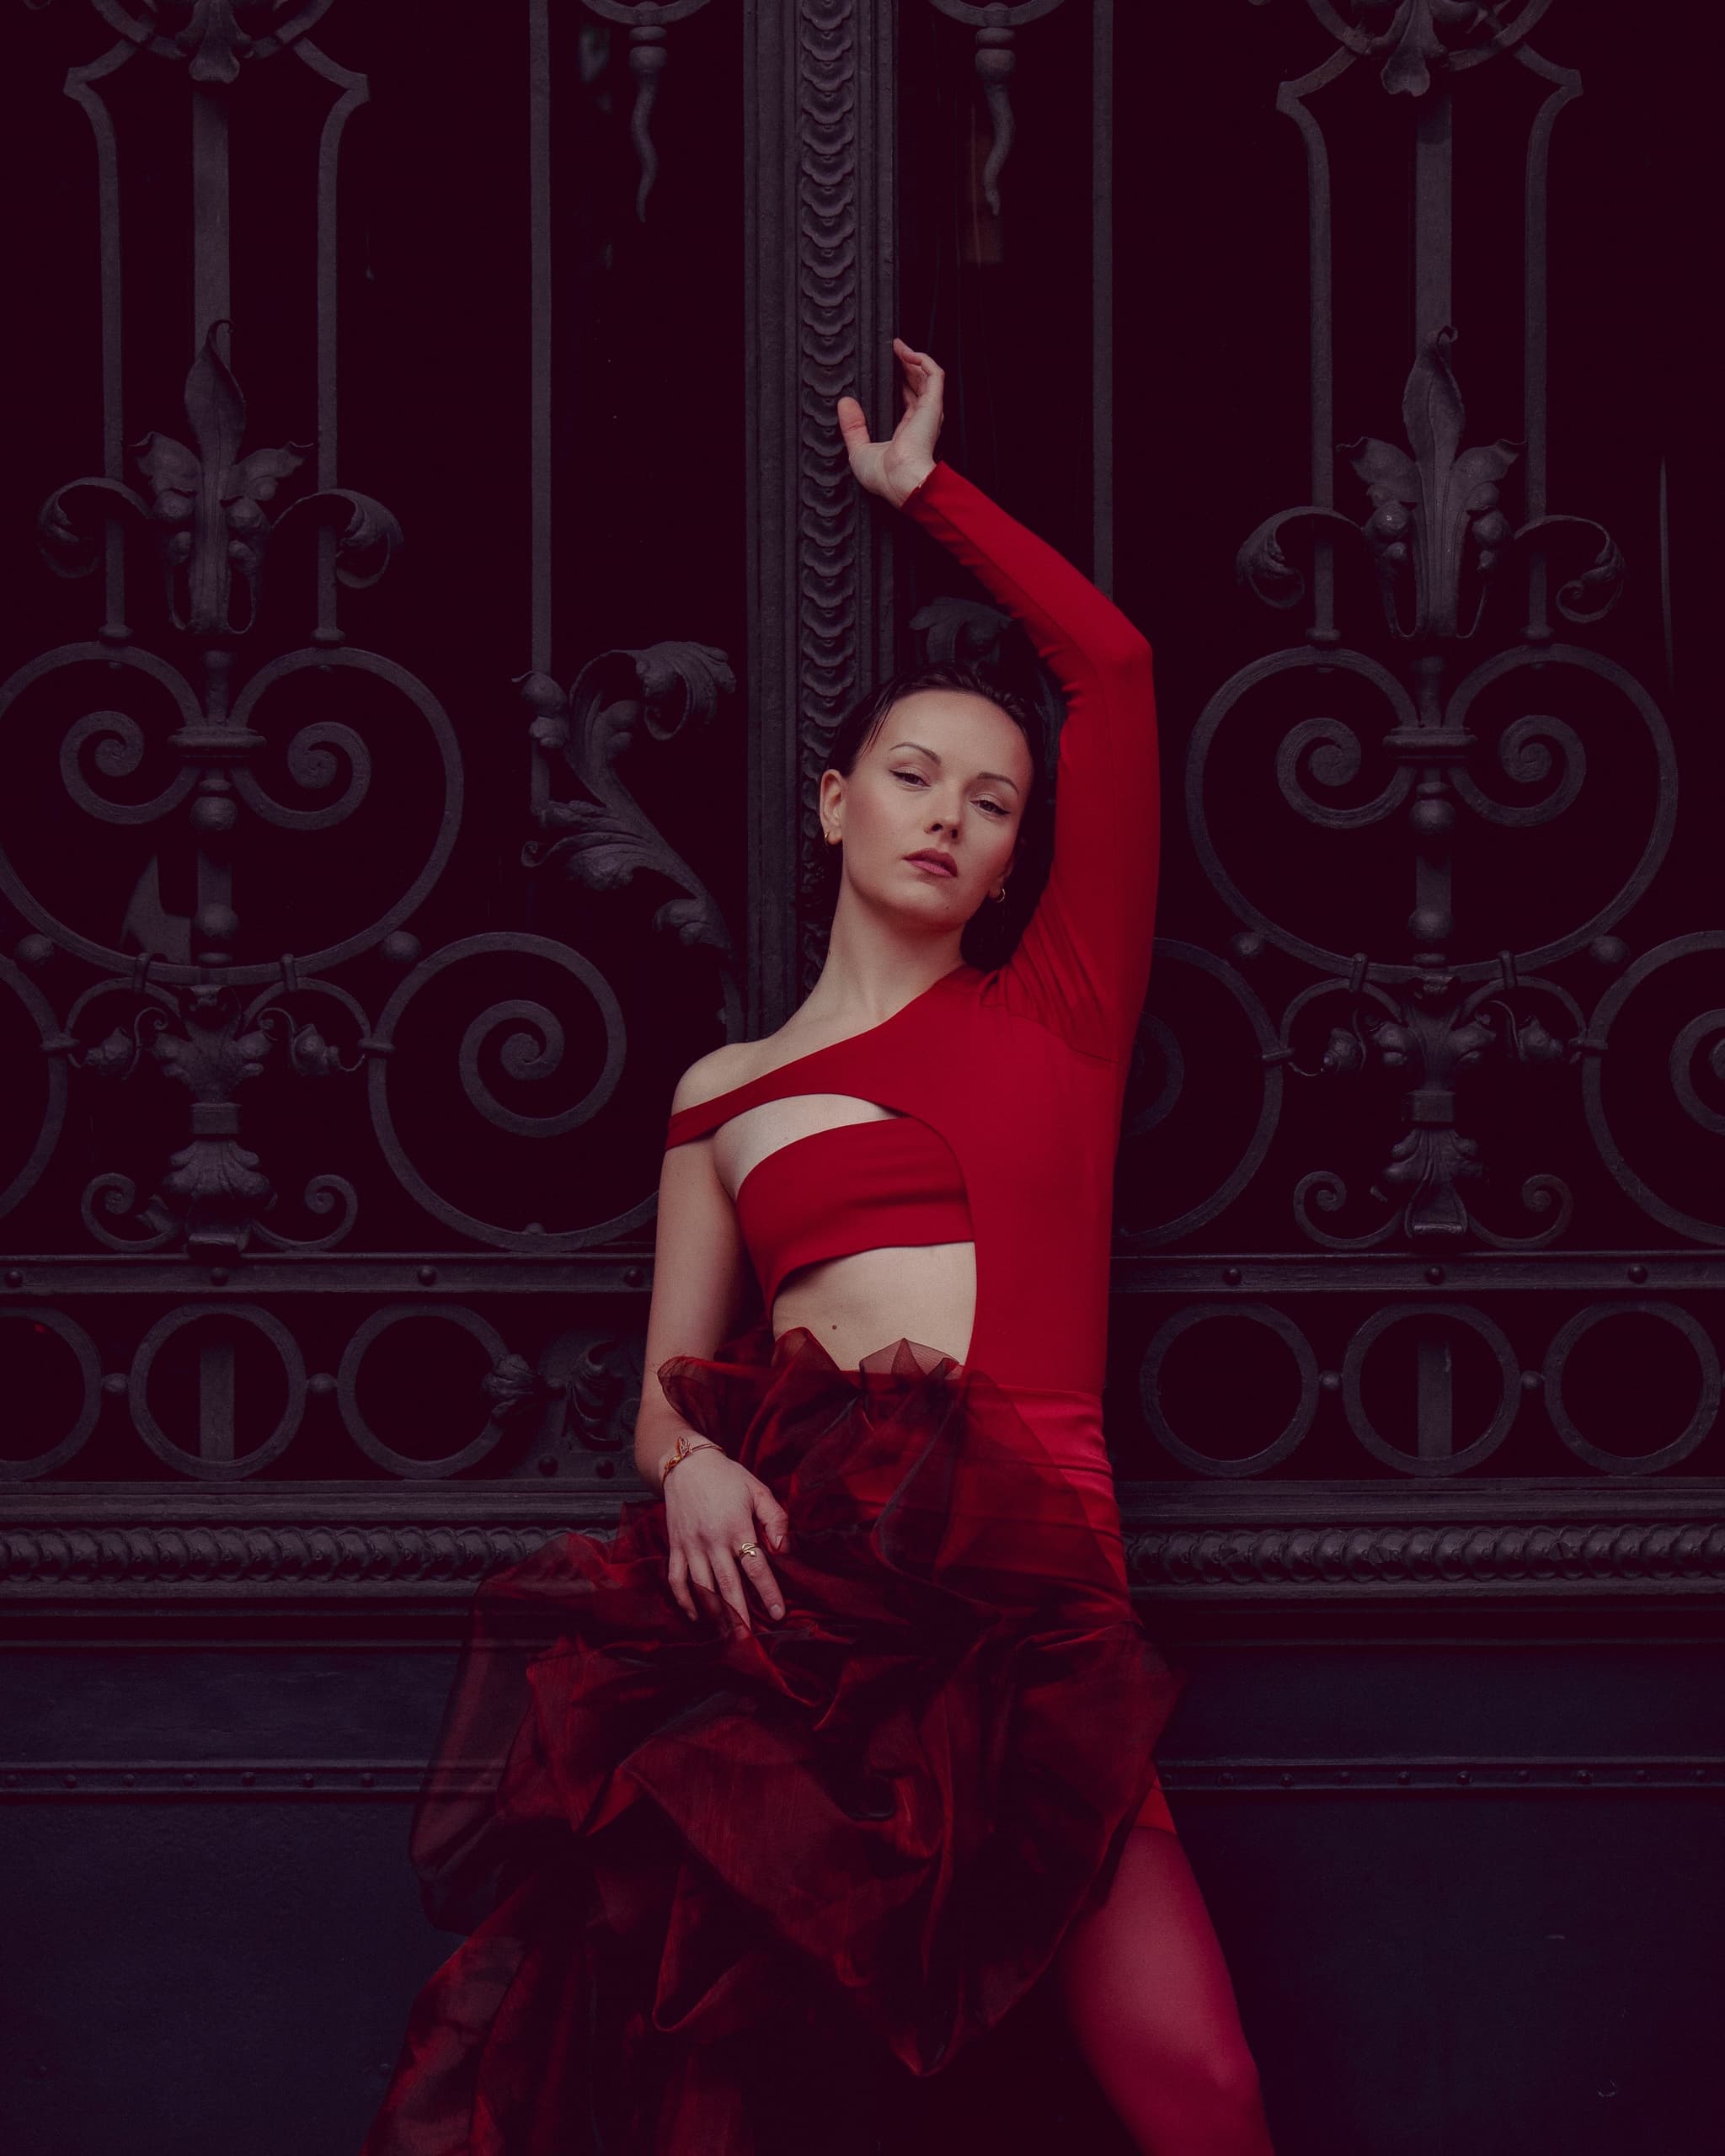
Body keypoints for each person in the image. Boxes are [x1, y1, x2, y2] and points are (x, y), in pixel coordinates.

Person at [360, 339, 1273, 2156]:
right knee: (723, 2088)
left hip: (1029, 1613)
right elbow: (653, 1404)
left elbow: (1116, 666)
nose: (949, 812)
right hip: (792, 1622)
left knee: (1199, 2083)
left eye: (992, 801)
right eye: (916, 775)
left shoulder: (1062, 1015)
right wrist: (690, 1465)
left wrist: (927, 497)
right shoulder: (720, 1087)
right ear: (835, 803)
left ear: (1016, 861)